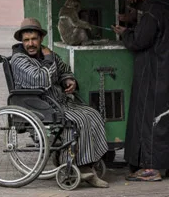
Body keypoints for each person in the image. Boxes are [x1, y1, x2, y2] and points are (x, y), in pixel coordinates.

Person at [9, 18, 109, 188]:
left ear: (41, 38)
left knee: (93, 114)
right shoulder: (19, 60)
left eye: (34, 39)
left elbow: (63, 70)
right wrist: (48, 60)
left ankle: (88, 161)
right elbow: (40, 78)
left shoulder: (47, 53)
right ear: (22, 42)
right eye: (26, 40)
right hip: (40, 105)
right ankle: (75, 165)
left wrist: (69, 80)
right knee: (78, 120)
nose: (30, 44)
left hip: (58, 102)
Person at [112, 0, 169, 181]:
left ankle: (150, 167)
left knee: (150, 117)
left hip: (154, 72)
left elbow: (141, 40)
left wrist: (126, 32)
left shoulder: (154, 8)